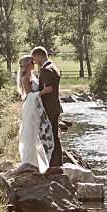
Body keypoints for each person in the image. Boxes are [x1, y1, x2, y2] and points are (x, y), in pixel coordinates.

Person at [32, 45, 65, 173]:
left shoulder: (45, 70)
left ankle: (55, 165)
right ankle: (57, 164)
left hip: (50, 108)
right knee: (55, 136)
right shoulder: (54, 67)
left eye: (35, 59)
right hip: (55, 107)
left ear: (40, 56)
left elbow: (47, 91)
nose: (35, 62)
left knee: (52, 136)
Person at [16, 54, 43, 167]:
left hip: (36, 107)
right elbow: (30, 95)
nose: (34, 63)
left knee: (36, 134)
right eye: (32, 62)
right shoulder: (25, 79)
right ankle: (29, 163)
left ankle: (38, 162)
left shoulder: (33, 76)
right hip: (30, 107)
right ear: (27, 65)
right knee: (30, 134)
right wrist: (44, 91)